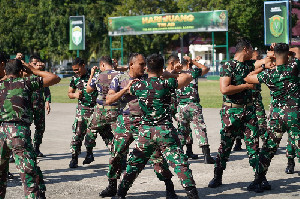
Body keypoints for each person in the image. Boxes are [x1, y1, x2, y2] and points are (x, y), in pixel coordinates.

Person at [116, 54, 199, 199]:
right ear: (161, 68)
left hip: (145, 132)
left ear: (147, 67)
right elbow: (188, 77)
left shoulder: (137, 85)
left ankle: (121, 193)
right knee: (179, 162)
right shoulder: (167, 84)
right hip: (164, 130)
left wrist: (161, 73)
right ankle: (192, 194)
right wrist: (167, 74)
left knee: (134, 164)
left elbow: (129, 90)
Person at [101, 53, 177, 199]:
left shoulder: (148, 77)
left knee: (157, 156)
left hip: (145, 123)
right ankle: (112, 186)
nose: (145, 67)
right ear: (131, 65)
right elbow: (109, 99)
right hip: (125, 121)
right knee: (116, 154)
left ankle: (169, 187)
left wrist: (171, 72)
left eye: (145, 64)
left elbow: (165, 74)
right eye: (141, 64)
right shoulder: (120, 78)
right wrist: (125, 89)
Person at [208, 39, 267, 193]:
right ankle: (217, 176)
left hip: (249, 111)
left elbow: (264, 62)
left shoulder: (248, 64)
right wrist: (245, 86)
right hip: (231, 112)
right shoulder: (228, 66)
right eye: (251, 49)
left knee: (253, 146)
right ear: (245, 49)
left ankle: (260, 179)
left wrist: (273, 53)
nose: (253, 52)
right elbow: (225, 89)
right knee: (226, 146)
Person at [0, 59, 60, 198]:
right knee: (28, 177)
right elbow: (54, 78)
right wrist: (33, 71)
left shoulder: (1, 84)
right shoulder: (25, 83)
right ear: (21, 71)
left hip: (2, 131)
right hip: (19, 132)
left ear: (5, 71)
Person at [244, 43, 300, 188]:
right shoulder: (294, 67)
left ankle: (258, 179)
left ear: (274, 55)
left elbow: (248, 78)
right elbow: (297, 52)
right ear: (288, 54)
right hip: (295, 114)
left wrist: (265, 65)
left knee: (268, 148)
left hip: (276, 116)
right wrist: (287, 51)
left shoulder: (269, 73)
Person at [82, 56, 122, 165]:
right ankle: (120, 159)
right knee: (119, 136)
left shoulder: (98, 75)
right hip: (115, 111)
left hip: (100, 111)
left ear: (103, 65)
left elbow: (89, 90)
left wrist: (91, 74)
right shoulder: (119, 75)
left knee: (91, 129)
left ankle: (89, 153)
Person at [175, 55, 214, 164]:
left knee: (182, 130)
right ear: (188, 64)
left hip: (181, 106)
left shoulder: (175, 74)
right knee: (200, 128)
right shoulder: (192, 72)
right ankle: (206, 156)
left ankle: (183, 155)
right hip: (193, 105)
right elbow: (205, 69)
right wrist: (192, 61)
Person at [233, 50, 267, 151]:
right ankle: (238, 142)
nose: (257, 59)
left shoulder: (257, 66)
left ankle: (266, 143)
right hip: (245, 99)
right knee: (240, 121)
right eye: (255, 57)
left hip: (256, 98)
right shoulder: (245, 67)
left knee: (261, 121)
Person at [68, 57, 98, 168]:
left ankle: (89, 154)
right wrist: (75, 95)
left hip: (95, 108)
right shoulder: (74, 78)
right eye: (74, 70)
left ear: (83, 65)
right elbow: (70, 93)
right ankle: (74, 158)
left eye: (77, 69)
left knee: (91, 134)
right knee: (78, 133)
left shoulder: (94, 74)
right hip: (82, 109)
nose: (76, 72)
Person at [29, 55, 51, 157]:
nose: (37, 65)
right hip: (27, 105)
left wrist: (47, 101)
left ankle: (36, 148)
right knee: (24, 128)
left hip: (39, 105)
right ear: (30, 64)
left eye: (38, 63)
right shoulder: (26, 73)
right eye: (34, 64)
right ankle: (22, 149)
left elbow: (47, 89)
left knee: (40, 127)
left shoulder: (42, 75)